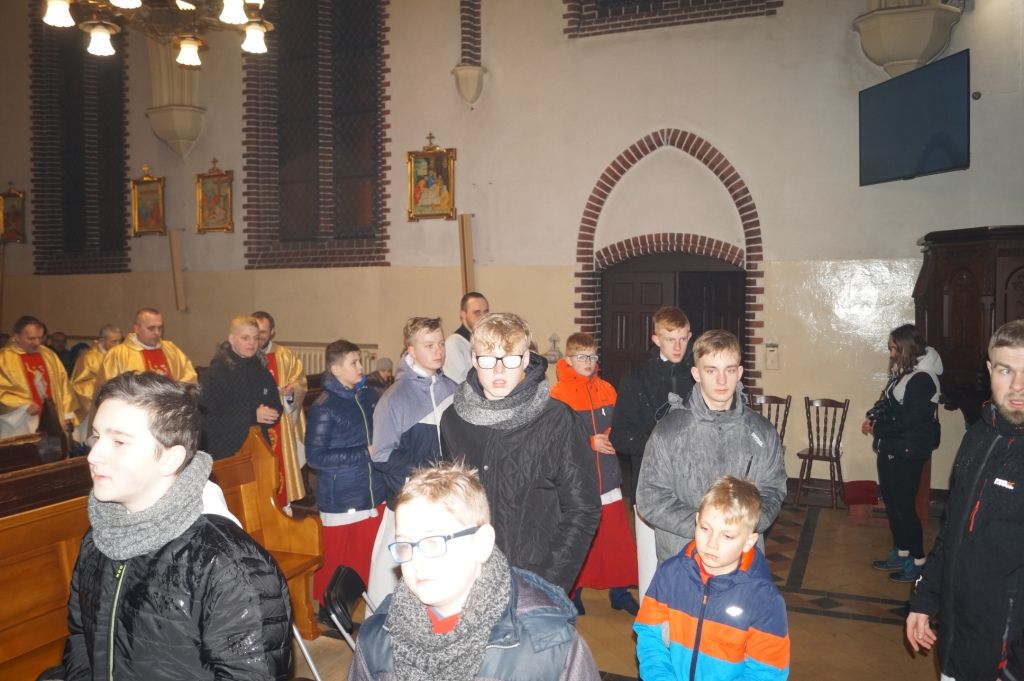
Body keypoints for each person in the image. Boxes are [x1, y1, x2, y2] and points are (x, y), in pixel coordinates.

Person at [62, 371, 292, 679]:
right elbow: (81, 641)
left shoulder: (227, 564)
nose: (94, 455)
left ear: (170, 459)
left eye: (118, 441)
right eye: (96, 437)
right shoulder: (99, 538)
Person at [348, 462, 601, 681]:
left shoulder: (549, 646)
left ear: (482, 543)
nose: (416, 561)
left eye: (433, 542)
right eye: (405, 545)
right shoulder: (377, 639)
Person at [440, 312, 601, 594]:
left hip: (535, 575)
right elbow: (448, 504)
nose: (499, 371)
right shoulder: (454, 420)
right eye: (488, 359)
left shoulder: (557, 420)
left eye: (510, 359)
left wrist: (547, 586)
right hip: (471, 576)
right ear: (474, 359)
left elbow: (582, 509)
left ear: (526, 359)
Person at [906, 319, 1024, 681]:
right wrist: (925, 599)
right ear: (990, 370)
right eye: (1006, 370)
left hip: (1004, 662)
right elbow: (953, 529)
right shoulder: (978, 437)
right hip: (958, 643)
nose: (1017, 386)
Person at [636, 329, 787, 563]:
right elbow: (651, 498)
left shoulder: (761, 432)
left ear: (739, 373)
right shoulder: (668, 431)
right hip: (683, 559)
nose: (721, 380)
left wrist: (738, 530)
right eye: (711, 370)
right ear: (696, 374)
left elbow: (773, 489)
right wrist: (707, 530)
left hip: (743, 561)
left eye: (729, 370)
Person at [634, 476, 790, 681]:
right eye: (705, 528)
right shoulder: (670, 575)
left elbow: (767, 672)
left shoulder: (764, 600)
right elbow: (649, 635)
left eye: (727, 536)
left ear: (748, 541)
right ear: (696, 521)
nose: (712, 543)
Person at [366, 317, 457, 605]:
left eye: (440, 344)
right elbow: (382, 455)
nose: (438, 350)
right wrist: (430, 471)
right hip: (407, 501)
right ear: (411, 351)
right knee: (391, 583)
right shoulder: (394, 399)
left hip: (446, 499)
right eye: (429, 345)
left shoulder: (453, 390)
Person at [550, 331, 640, 615]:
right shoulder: (558, 394)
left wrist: (614, 434)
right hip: (579, 480)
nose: (589, 362)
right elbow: (556, 437)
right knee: (580, 540)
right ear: (568, 360)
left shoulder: (607, 389)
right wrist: (590, 442)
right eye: (582, 357)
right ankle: (574, 592)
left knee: (615, 541)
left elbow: (621, 423)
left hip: (609, 476)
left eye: (592, 356)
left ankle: (620, 592)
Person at [305, 339, 387, 601]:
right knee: (338, 563)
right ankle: (330, 610)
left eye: (360, 361)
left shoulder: (367, 396)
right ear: (336, 369)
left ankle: (365, 603)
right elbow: (315, 457)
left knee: (368, 557)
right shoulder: (324, 407)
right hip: (343, 496)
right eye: (354, 363)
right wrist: (365, 453)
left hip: (372, 490)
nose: (361, 367)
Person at [861, 323, 942, 583]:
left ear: (907, 348)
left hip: (908, 450)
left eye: (894, 349)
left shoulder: (923, 379)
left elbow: (909, 420)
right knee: (893, 503)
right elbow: (887, 401)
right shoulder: (904, 373)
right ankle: (902, 551)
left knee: (905, 507)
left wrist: (879, 429)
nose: (891, 354)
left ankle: (918, 561)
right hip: (892, 446)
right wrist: (872, 417)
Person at [610, 305, 695, 500]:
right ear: (656, 340)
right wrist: (660, 447)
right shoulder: (635, 380)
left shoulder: (699, 377)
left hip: (692, 483)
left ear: (690, 336)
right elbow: (620, 436)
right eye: (670, 340)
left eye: (683, 339)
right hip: (650, 483)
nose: (678, 347)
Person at [199, 315, 282, 460]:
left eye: (256, 338)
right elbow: (206, 419)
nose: (252, 343)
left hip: (259, 448)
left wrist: (273, 413)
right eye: (245, 338)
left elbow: (275, 405)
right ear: (231, 339)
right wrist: (252, 415)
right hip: (225, 451)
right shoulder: (215, 374)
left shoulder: (261, 371)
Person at [252, 310, 308, 508]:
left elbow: (300, 382)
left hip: (281, 423)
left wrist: (291, 391)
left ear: (272, 332)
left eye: (263, 332)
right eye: (255, 331)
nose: (258, 337)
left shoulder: (285, 356)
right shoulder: (244, 355)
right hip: (252, 425)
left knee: (280, 468)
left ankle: (283, 508)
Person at [0, 315, 75, 437]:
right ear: (16, 336)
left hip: (51, 420)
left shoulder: (48, 355)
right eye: (31, 338)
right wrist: (23, 405)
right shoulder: (4, 358)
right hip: (20, 422)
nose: (37, 343)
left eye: (40, 338)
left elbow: (63, 384)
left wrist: (67, 414)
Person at [96, 307, 197, 388]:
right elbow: (108, 388)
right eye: (151, 328)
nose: (157, 333)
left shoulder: (171, 349)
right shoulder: (118, 354)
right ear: (136, 329)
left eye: (160, 328)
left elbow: (190, 376)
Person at [70, 324, 123, 438]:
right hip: (94, 406)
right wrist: (103, 386)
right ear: (102, 340)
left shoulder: (120, 355)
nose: (118, 345)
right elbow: (80, 384)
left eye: (119, 341)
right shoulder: (89, 357)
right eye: (113, 341)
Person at [444, 292, 490, 383]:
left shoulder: (488, 340)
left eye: (486, 312)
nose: (483, 318)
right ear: (463, 314)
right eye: (477, 313)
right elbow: (457, 384)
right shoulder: (453, 343)